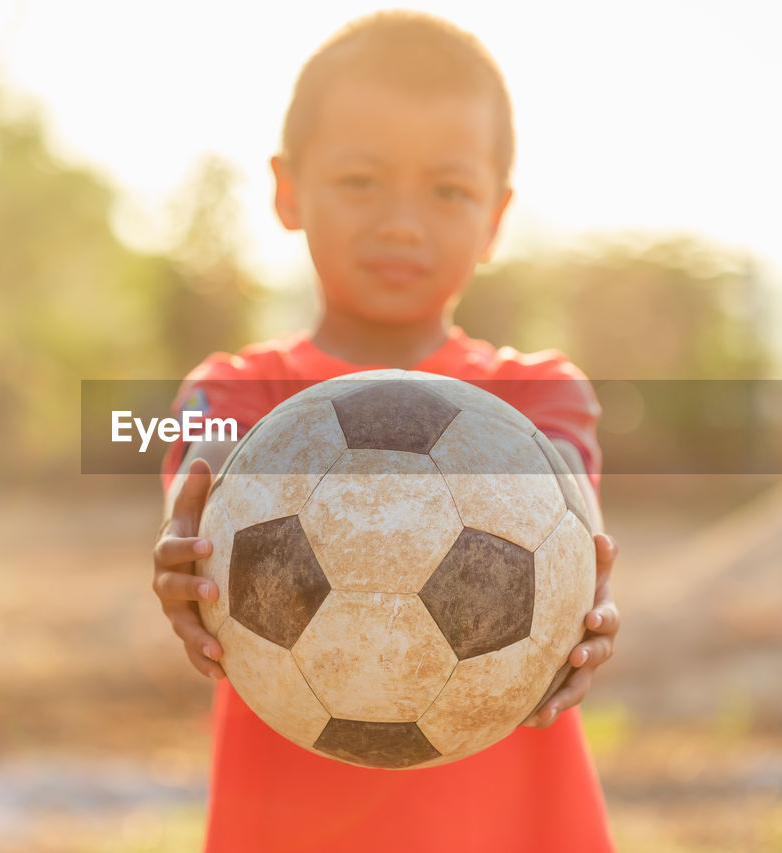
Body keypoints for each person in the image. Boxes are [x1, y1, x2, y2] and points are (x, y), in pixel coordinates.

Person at [152, 11, 621, 852]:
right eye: (362, 180)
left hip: (507, 826)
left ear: (497, 215)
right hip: (293, 824)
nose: (403, 221)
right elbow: (202, 457)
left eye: (448, 189)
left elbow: (573, 501)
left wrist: (590, 586)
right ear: (287, 189)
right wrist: (186, 534)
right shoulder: (232, 389)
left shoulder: (540, 395)